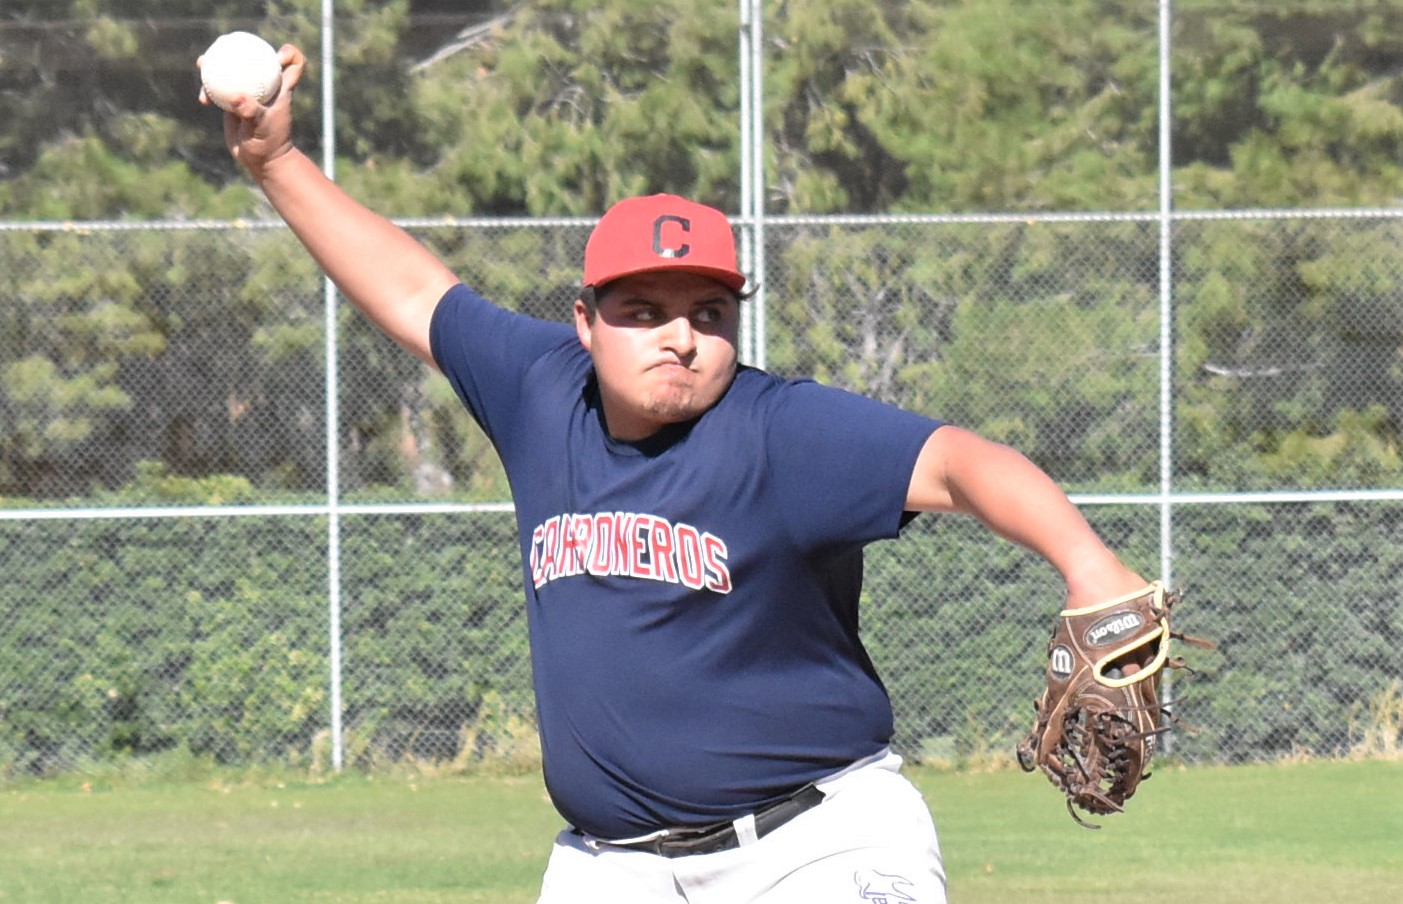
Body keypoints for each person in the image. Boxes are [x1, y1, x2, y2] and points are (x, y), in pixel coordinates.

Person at [204, 44, 1151, 904]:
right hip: (608, 865)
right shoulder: (541, 390)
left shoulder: (780, 428)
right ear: (583, 321)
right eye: (642, 308)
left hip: (814, 846)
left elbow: (958, 461)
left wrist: (1088, 565)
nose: (679, 336)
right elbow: (411, 289)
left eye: (708, 310)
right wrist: (277, 163)